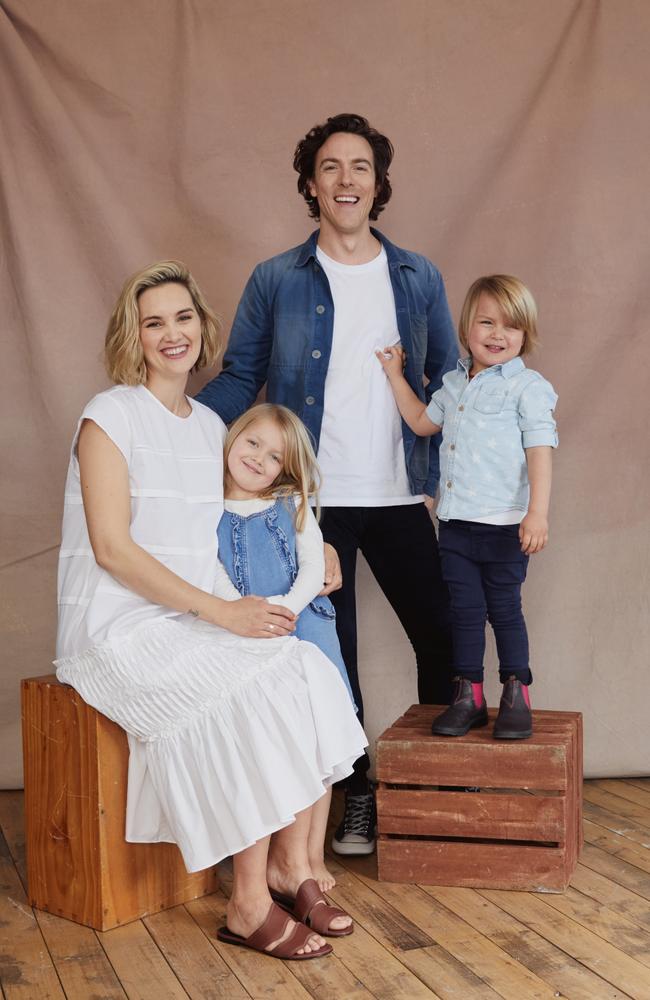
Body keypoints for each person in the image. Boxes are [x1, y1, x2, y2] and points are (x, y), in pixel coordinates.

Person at [54, 260, 367, 961]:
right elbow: (112, 548)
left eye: (183, 318)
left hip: (187, 615)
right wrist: (221, 616)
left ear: (204, 326)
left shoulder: (206, 426)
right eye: (153, 321)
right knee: (251, 686)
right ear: (132, 335)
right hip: (115, 626)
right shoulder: (109, 414)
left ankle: (292, 866)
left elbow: (248, 508)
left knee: (303, 670)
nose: (172, 334)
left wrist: (316, 557)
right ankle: (248, 903)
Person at [197, 113, 459, 854]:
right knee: (325, 660)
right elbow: (243, 375)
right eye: (332, 168)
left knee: (441, 637)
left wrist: (455, 479)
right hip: (310, 503)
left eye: (361, 167)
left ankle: (434, 789)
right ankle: (358, 794)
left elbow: (443, 386)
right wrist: (176, 422)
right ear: (310, 185)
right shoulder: (277, 278)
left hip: (402, 493)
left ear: (379, 185)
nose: (347, 180)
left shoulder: (417, 276)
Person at [377, 275, 558, 739]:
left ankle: (517, 691)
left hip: (504, 526)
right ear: (466, 329)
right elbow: (420, 422)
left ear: (525, 335)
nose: (498, 334)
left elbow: (540, 448)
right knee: (463, 612)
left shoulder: (528, 388)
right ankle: (469, 695)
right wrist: (396, 376)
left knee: (504, 609)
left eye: (511, 327)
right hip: (456, 524)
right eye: (487, 322)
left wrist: (537, 512)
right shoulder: (453, 384)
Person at [213, 401, 355, 890]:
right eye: (252, 442)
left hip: (304, 622)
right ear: (232, 438)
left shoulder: (290, 502)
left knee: (323, 732)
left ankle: (311, 857)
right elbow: (206, 570)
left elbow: (313, 567)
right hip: (245, 627)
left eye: (274, 456)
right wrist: (240, 610)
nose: (258, 459)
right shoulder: (206, 506)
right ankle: (282, 859)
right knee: (281, 737)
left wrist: (287, 609)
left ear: (286, 468)